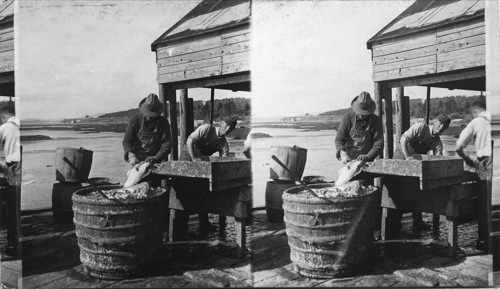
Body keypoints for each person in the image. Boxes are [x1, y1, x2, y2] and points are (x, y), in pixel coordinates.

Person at [174, 117, 238, 240]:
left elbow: (224, 159)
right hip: (188, 155)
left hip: (201, 162)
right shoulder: (207, 128)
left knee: (202, 191)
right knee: (184, 192)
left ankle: (204, 224)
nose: (228, 129)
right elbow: (190, 141)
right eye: (227, 125)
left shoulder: (223, 144)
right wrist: (194, 159)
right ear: (222, 123)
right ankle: (180, 226)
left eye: (231, 128)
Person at [393, 114, 451, 231]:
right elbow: (403, 139)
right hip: (400, 159)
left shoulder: (437, 142)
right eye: (439, 124)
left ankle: (417, 222)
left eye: (444, 127)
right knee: (397, 192)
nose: (440, 128)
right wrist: (408, 157)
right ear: (434, 121)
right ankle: (394, 223)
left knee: (416, 191)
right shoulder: (420, 127)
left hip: (415, 165)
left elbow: (439, 157)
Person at [455, 100, 491, 251]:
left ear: (475, 111)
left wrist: (470, 161)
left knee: (485, 204)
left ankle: (484, 242)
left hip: (486, 163)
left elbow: (458, 146)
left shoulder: (477, 122)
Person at [122, 93, 172, 166]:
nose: (149, 117)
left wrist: (156, 158)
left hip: (155, 162)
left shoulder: (163, 122)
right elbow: (127, 141)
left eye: (152, 115)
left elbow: (167, 145)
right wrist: (131, 155)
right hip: (136, 161)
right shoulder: (135, 119)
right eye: (147, 114)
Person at [335, 91, 384, 164]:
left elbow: (378, 143)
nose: (361, 115)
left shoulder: (376, 120)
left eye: (364, 113)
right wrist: (343, 153)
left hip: (366, 161)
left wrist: (368, 156)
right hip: (348, 160)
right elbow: (339, 140)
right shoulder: (347, 118)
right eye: (359, 112)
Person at [0, 104, 20, 259]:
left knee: (10, 210)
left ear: (4, 116)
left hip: (11, 170)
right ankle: (15, 244)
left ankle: (12, 246)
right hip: (20, 170)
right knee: (16, 209)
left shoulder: (5, 127)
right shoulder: (19, 125)